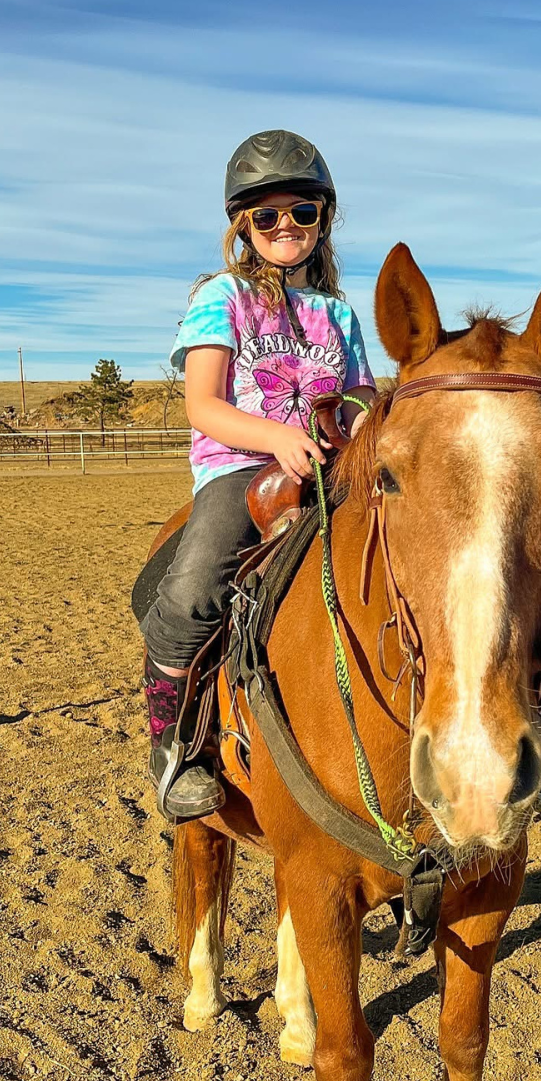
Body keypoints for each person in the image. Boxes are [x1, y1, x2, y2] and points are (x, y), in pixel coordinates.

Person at [140, 129, 376, 821]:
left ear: (322, 219)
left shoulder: (338, 312)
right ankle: (174, 747)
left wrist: (357, 425)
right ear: (243, 224)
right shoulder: (224, 296)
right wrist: (278, 436)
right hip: (241, 472)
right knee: (191, 597)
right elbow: (204, 402)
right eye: (266, 215)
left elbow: (360, 391)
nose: (285, 227)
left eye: (301, 211)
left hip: (333, 468)